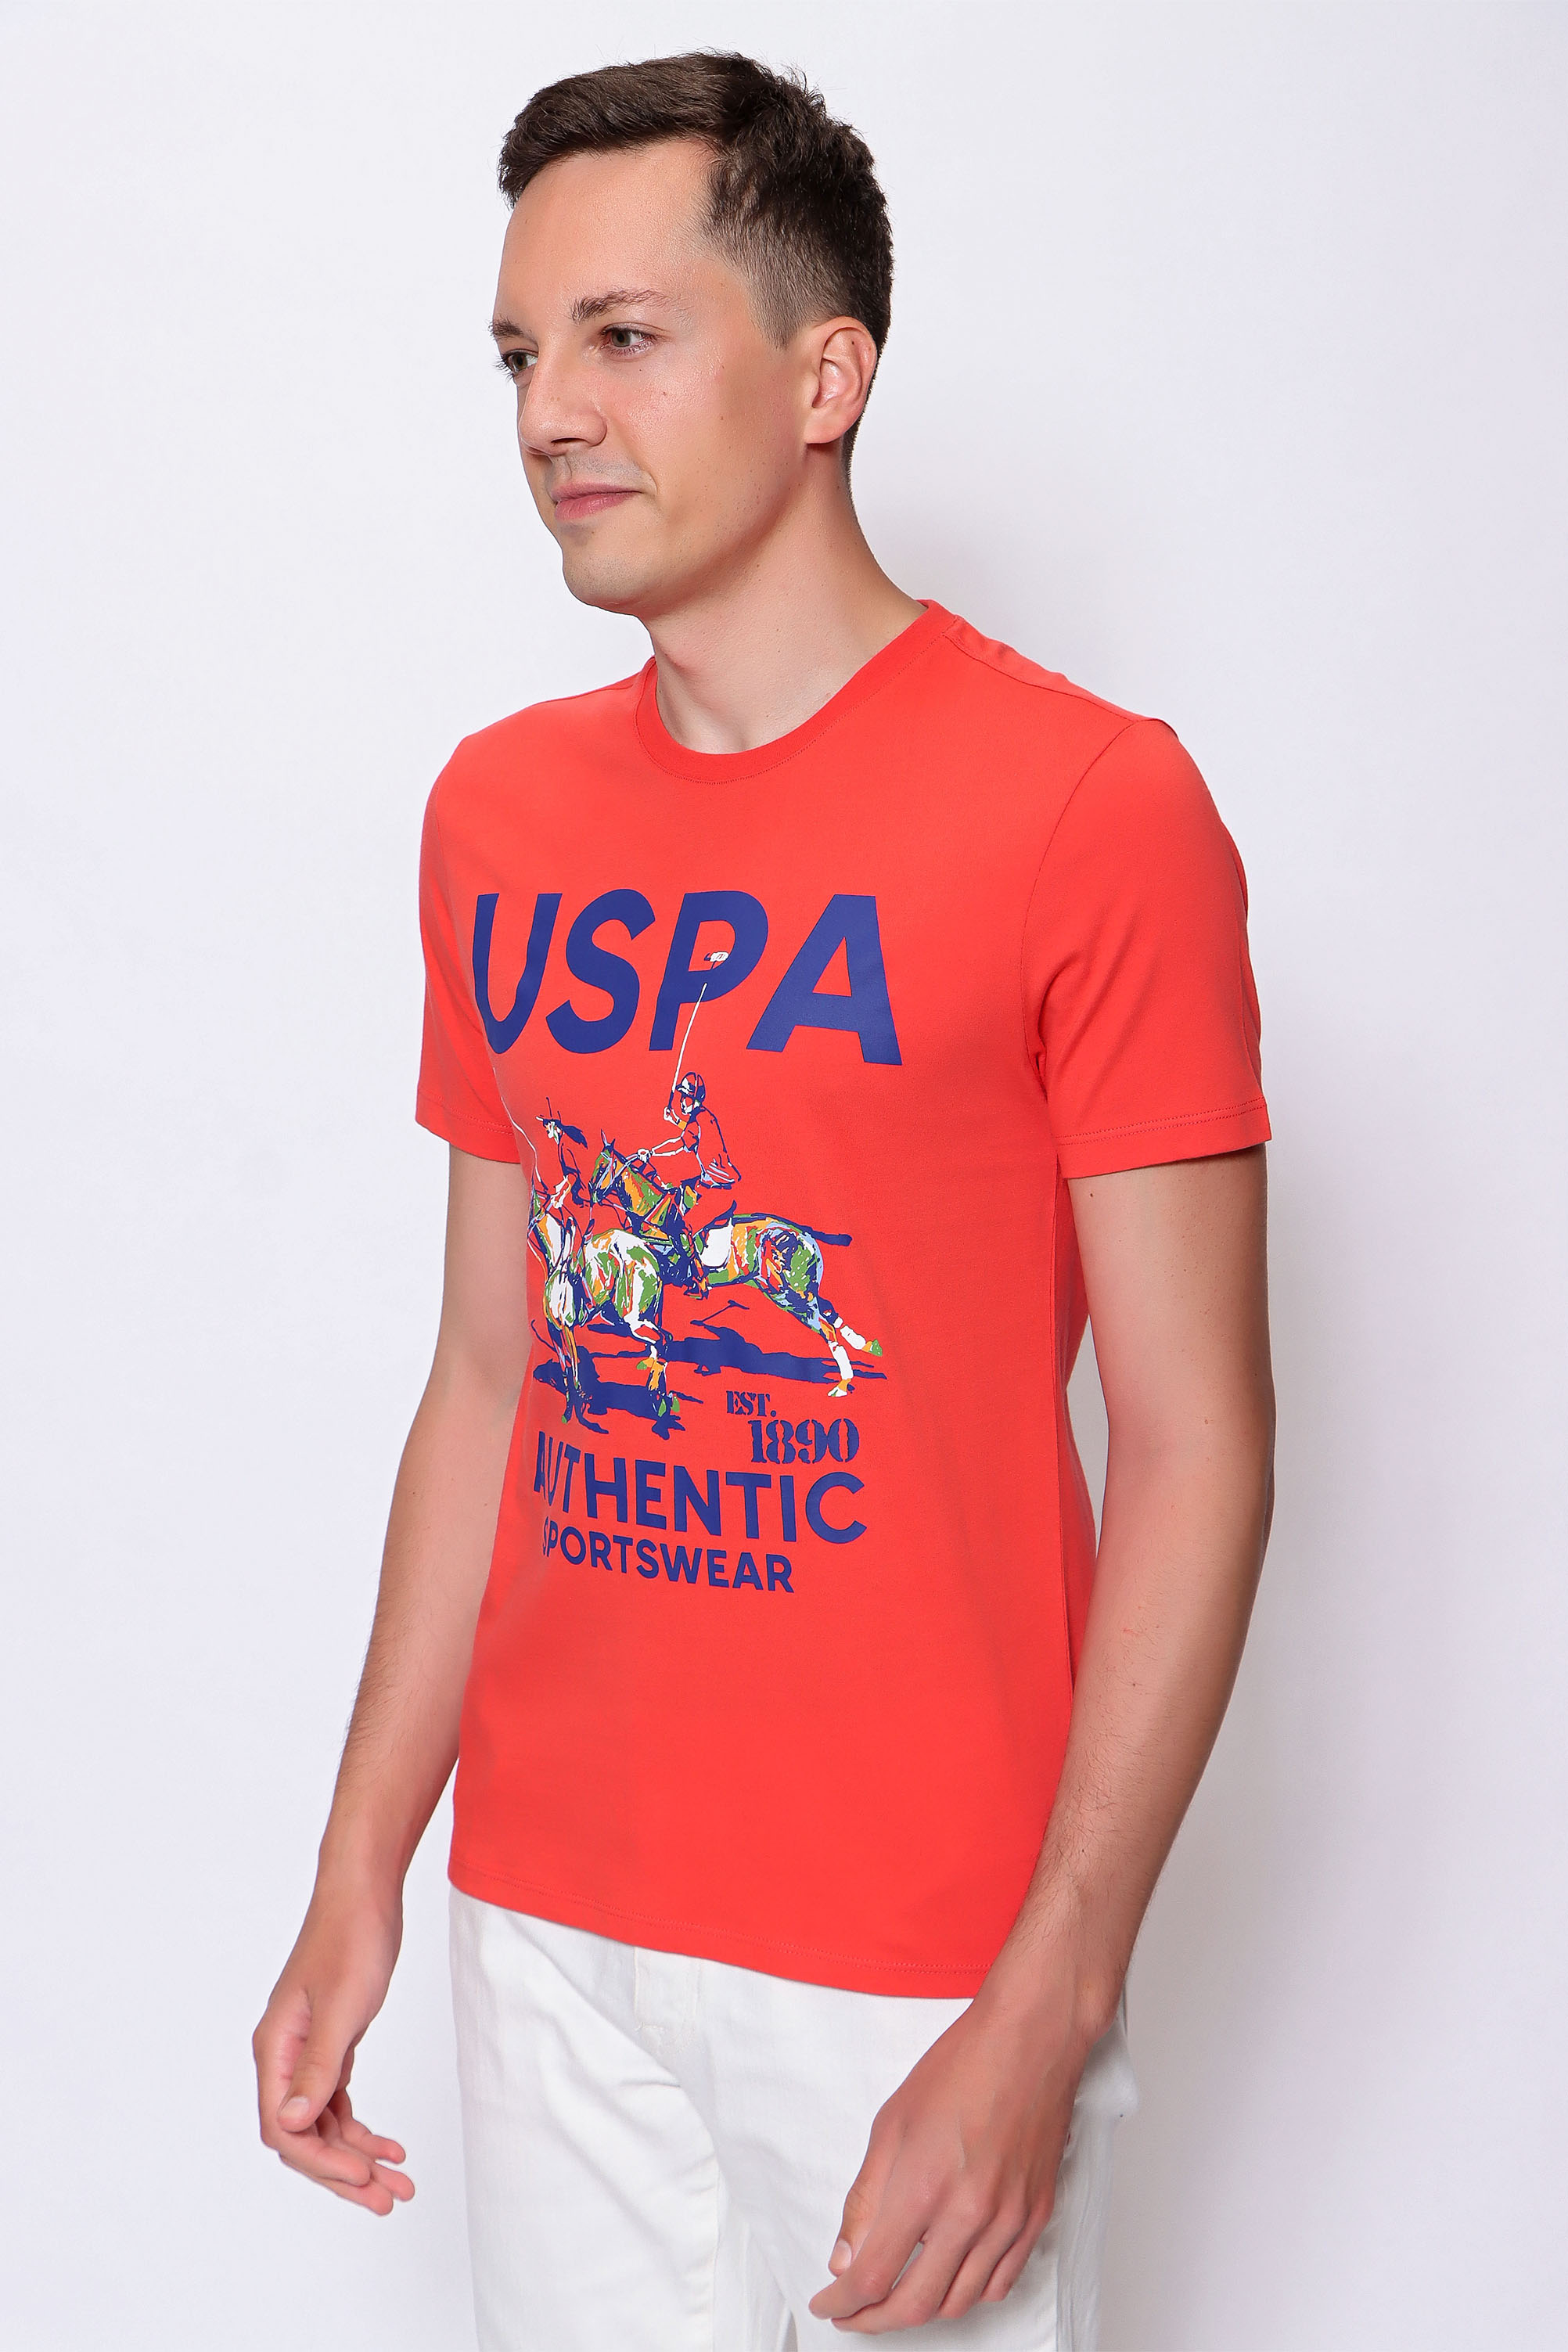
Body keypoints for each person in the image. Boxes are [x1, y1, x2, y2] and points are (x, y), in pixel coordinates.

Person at [253, 49, 1275, 2351]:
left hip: (923, 1957)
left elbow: (1201, 1442)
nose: (551, 413)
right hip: (553, 1929)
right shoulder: (498, 817)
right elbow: (493, 1373)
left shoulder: (1089, 811)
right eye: (521, 353)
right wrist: (361, 1869)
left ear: (827, 377)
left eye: (625, 336)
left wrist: (1048, 1996)